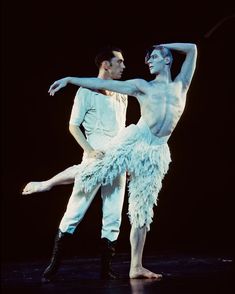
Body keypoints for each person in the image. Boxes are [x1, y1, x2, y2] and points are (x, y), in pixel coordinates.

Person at [23, 42, 197, 279]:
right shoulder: (142, 86)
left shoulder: (181, 84)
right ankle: (48, 183)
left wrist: (162, 45)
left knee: (141, 211)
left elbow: (192, 48)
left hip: (156, 151)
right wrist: (70, 79)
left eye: (154, 56)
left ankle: (136, 266)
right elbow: (102, 83)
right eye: (148, 58)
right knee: (95, 168)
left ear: (167, 60)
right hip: (136, 137)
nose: (148, 61)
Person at [23, 47, 128, 282]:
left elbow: (122, 130)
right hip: (95, 155)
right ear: (105, 65)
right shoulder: (85, 92)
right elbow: (73, 125)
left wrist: (126, 160)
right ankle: (54, 264)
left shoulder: (123, 94)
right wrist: (89, 151)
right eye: (119, 62)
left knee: (113, 216)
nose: (123, 66)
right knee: (74, 211)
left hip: (118, 158)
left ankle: (106, 269)